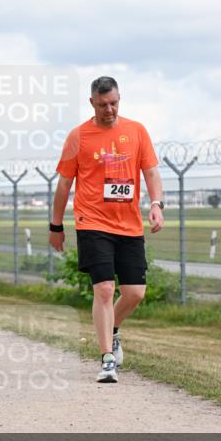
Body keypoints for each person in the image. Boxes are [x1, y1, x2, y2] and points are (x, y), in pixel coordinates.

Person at [49, 76, 164, 384]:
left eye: (113, 103)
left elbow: (151, 172)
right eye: (103, 105)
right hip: (92, 222)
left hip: (128, 224)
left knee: (135, 293)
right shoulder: (79, 137)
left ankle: (112, 329)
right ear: (92, 103)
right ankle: (107, 360)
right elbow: (64, 184)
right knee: (104, 288)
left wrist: (156, 205)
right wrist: (56, 225)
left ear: (119, 99)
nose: (109, 110)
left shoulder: (137, 131)